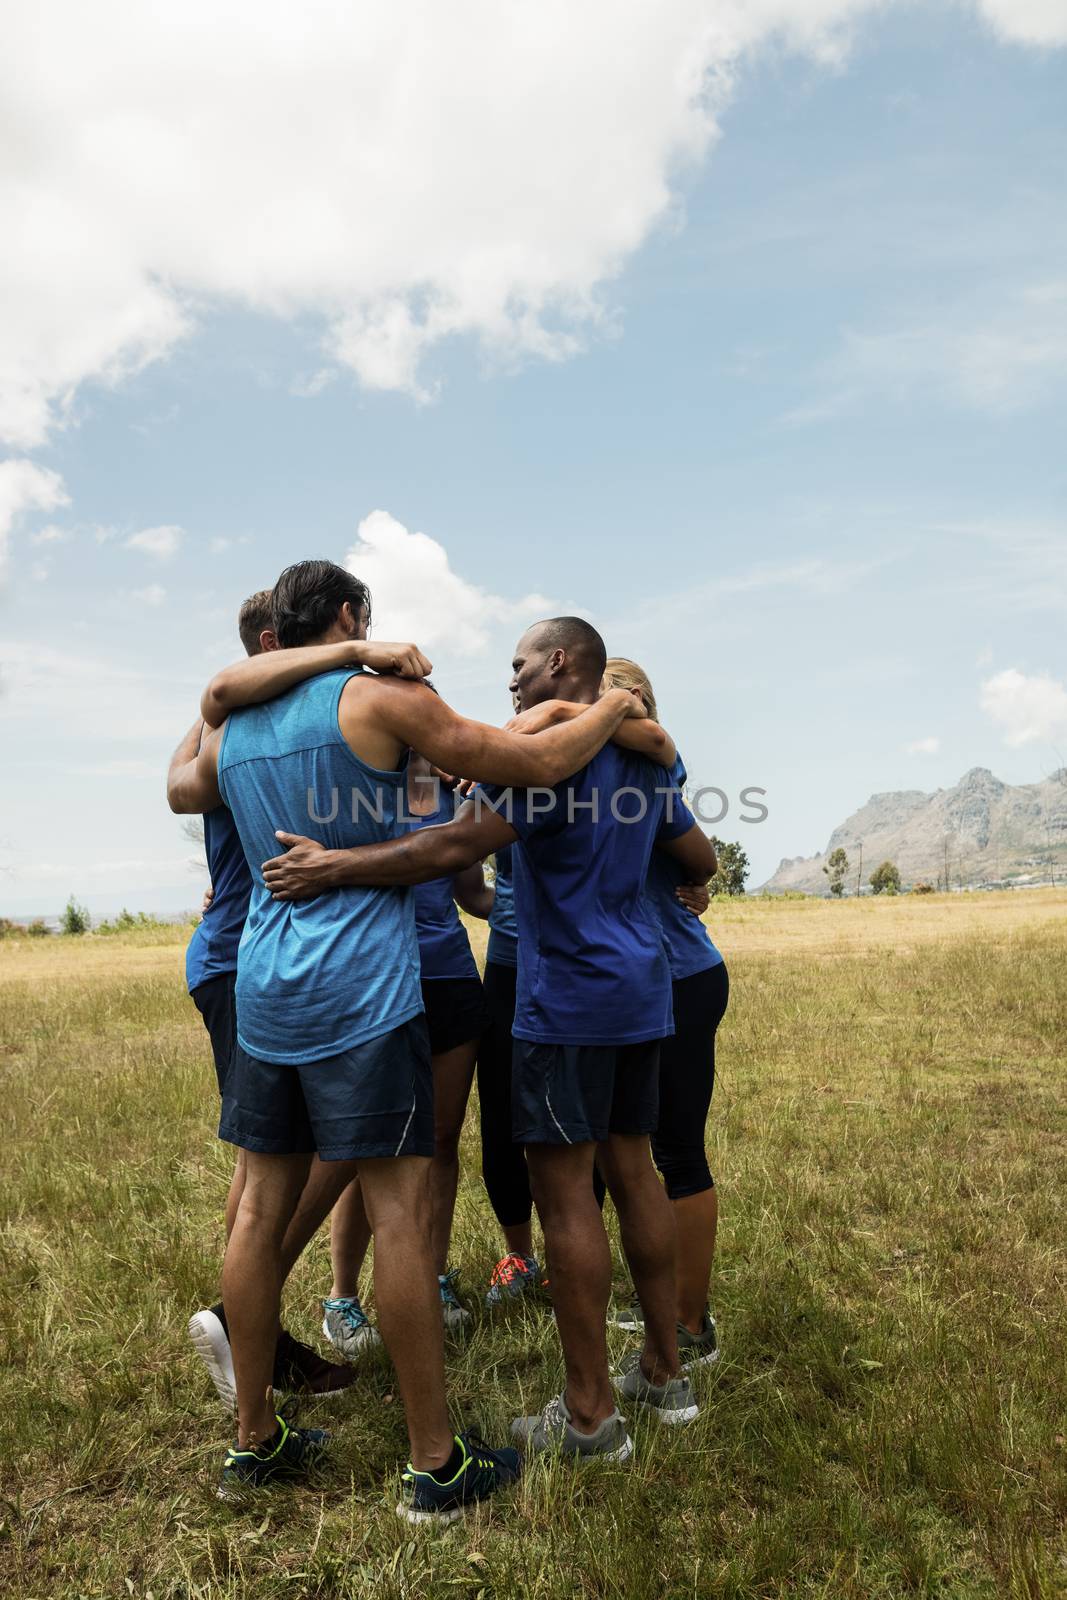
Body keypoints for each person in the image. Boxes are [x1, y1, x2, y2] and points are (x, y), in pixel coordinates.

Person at [168, 565, 643, 1513]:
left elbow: (189, 769)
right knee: (396, 1206)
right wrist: (614, 706)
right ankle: (434, 1464)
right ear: (351, 618)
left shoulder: (237, 729)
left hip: (264, 987)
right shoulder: (381, 700)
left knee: (260, 1211)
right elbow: (538, 767)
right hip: (361, 992)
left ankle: (253, 1442)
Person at [259, 616, 716, 1464]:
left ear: (558, 662)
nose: (509, 683)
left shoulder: (547, 767)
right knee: (635, 1168)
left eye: (517, 667)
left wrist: (334, 866)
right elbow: (694, 853)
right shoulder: (649, 758)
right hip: (641, 992)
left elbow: (452, 848)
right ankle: (665, 1369)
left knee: (566, 1197)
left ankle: (589, 1416)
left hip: (565, 1001)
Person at [172, 589, 357, 1407]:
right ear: (274, 644)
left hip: (246, 958)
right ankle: (245, 1325)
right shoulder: (248, 721)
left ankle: (256, 1333)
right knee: (279, 1164)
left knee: (278, 1163)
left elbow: (178, 785)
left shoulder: (244, 718)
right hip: (251, 962)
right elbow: (184, 787)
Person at [321, 748, 493, 1344]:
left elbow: (472, 894)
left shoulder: (454, 798)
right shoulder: (358, 793)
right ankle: (343, 1297)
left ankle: (434, 1274)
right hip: (376, 979)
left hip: (448, 977)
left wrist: (535, 909)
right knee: (365, 1145)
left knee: (442, 1140)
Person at [600, 658, 728, 1365]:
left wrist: (698, 879)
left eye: (637, 698)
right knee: (633, 1154)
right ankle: (664, 1307)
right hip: (639, 980)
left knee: (677, 1151)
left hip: (680, 976)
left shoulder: (650, 764)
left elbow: (698, 859)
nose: (627, 709)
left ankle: (690, 1325)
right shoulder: (597, 775)